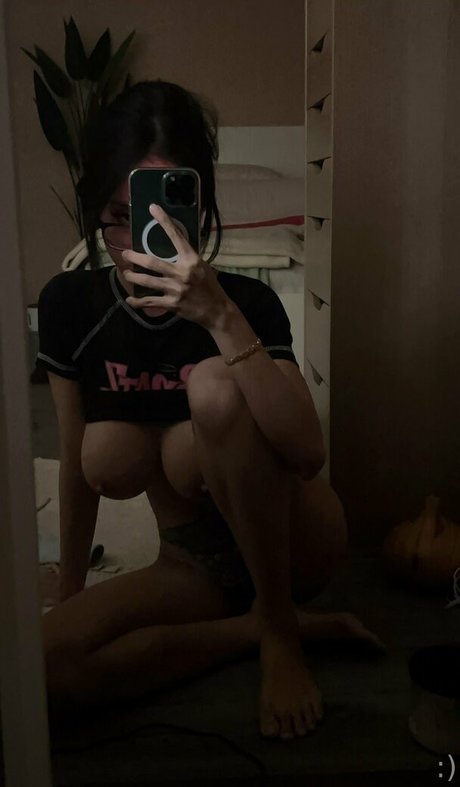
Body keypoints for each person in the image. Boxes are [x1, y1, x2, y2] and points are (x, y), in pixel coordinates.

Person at [37, 79, 384, 742]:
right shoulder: (70, 307)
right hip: (193, 564)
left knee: (216, 387)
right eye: (119, 216)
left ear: (197, 207)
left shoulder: (246, 304)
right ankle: (255, 630)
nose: (139, 241)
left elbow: (307, 453)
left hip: (292, 545)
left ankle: (280, 627)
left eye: (163, 215)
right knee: (49, 668)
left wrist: (219, 316)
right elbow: (76, 464)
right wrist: (73, 588)